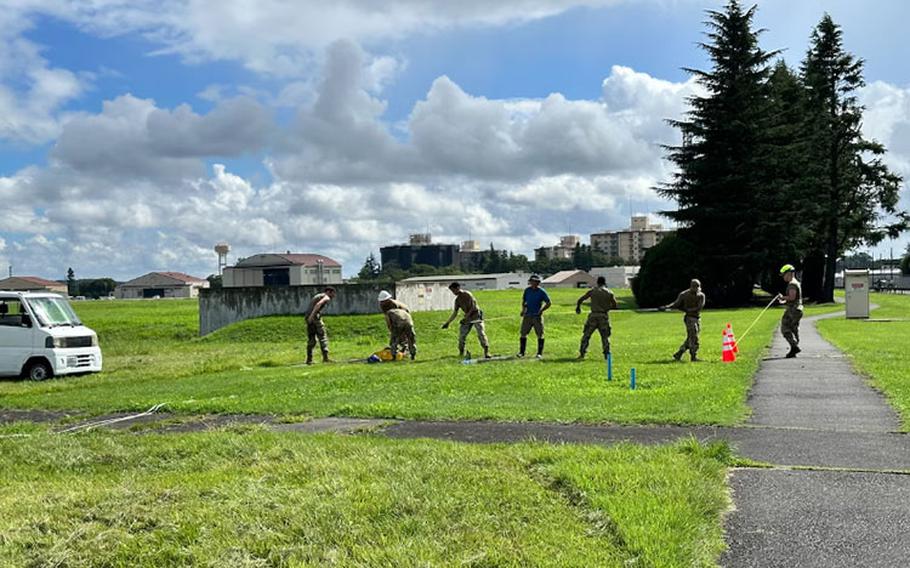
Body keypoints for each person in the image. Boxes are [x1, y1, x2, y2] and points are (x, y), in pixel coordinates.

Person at [660, 279, 706, 362]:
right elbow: (676, 304)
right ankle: (693, 356)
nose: (697, 289)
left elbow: (699, 308)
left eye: (698, 287)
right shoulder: (684, 294)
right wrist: (667, 307)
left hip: (697, 318)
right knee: (694, 336)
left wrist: (686, 309)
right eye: (695, 287)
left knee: (691, 337)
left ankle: (679, 353)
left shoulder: (701, 296)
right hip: (689, 318)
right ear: (691, 286)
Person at [441, 282, 490, 359]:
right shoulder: (457, 300)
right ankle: (461, 353)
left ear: (458, 288)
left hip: (476, 316)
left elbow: (474, 306)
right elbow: (455, 313)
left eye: (453, 290)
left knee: (481, 333)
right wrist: (448, 323)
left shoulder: (467, 294)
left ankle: (486, 352)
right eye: (451, 291)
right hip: (467, 319)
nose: (453, 293)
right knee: (461, 336)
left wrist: (466, 316)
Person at [575, 276, 618, 360]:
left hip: (593, 316)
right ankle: (607, 355)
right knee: (605, 337)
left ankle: (582, 353)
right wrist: (607, 307)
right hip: (603, 316)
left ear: (597, 282)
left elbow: (580, 299)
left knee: (586, 335)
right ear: (605, 282)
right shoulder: (609, 293)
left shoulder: (593, 291)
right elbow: (615, 305)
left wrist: (578, 307)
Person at [518, 274, 551, 359]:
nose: (533, 283)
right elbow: (524, 301)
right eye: (532, 281)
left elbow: (548, 302)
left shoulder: (541, 292)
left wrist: (541, 310)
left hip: (537, 316)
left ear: (538, 283)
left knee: (540, 334)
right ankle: (522, 352)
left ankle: (539, 353)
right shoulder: (527, 291)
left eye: (535, 282)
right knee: (523, 333)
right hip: (527, 316)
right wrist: (523, 310)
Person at [378, 290, 417, 360]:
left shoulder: (394, 305)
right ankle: (410, 353)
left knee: (395, 339)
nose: (381, 303)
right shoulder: (389, 305)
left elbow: (389, 319)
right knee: (410, 338)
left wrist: (391, 329)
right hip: (407, 320)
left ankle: (395, 355)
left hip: (400, 321)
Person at [305, 286, 336, 365]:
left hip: (308, 317)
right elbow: (318, 304)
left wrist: (309, 317)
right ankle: (326, 358)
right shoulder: (326, 297)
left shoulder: (318, 295)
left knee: (311, 338)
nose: (333, 296)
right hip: (314, 317)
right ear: (329, 292)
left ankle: (309, 360)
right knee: (322, 337)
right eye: (333, 293)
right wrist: (312, 316)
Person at [778, 264, 803, 358]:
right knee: (794, 329)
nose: (783, 277)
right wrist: (785, 300)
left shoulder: (792, 284)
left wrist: (782, 297)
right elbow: (794, 298)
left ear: (789, 274)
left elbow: (792, 297)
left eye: (783, 275)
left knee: (785, 328)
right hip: (797, 309)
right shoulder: (796, 282)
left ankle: (794, 346)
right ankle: (794, 348)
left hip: (793, 310)